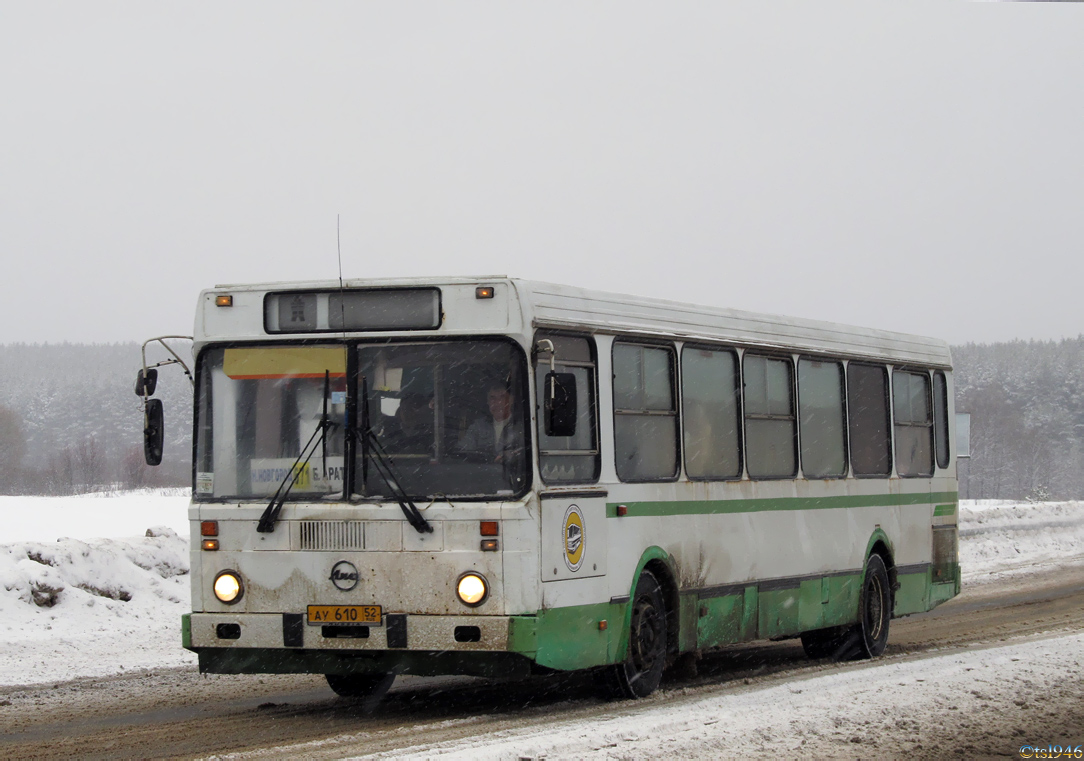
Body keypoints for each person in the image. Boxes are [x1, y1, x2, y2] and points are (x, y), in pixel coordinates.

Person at [458, 384, 523, 463]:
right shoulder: (478, 426)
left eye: (502, 397)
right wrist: (486, 458)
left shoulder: (522, 426)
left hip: (513, 473)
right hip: (483, 472)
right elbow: (462, 452)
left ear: (511, 400)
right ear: (488, 402)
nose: (497, 402)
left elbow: (528, 451)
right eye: (492, 398)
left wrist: (511, 455)